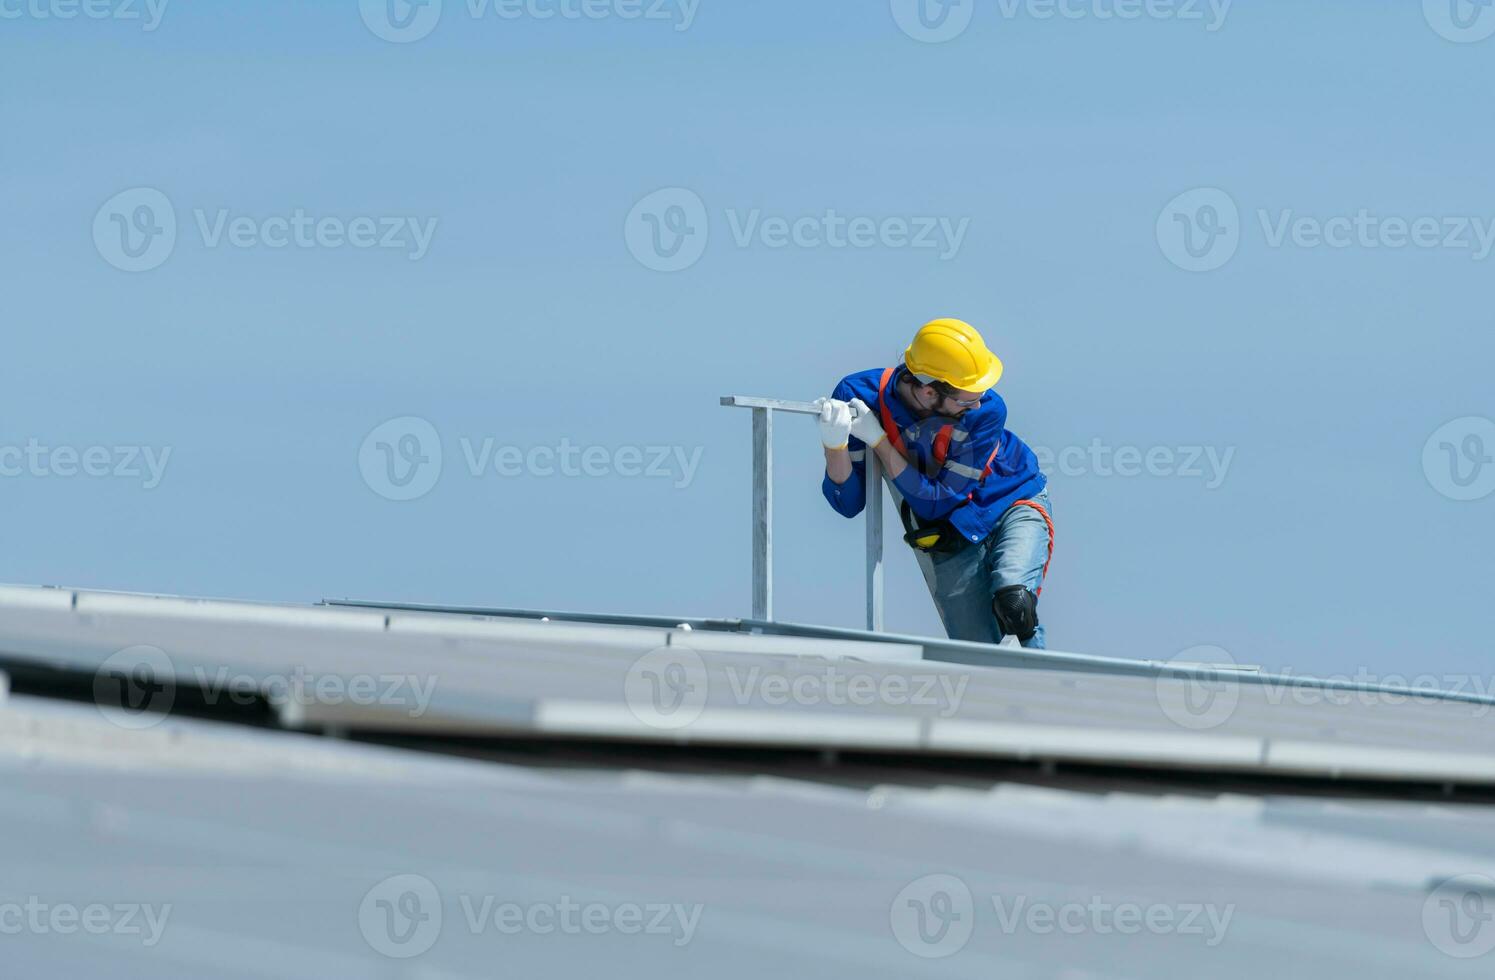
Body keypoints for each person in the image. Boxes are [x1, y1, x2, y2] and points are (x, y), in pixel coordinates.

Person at [815, 318, 1054, 648]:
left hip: (1012, 498)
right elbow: (848, 502)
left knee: (1015, 602)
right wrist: (834, 445)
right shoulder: (857, 394)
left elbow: (938, 499)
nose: (978, 404)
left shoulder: (988, 410)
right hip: (949, 531)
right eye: (967, 400)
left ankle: (1042, 683)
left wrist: (880, 441)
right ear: (928, 392)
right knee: (977, 651)